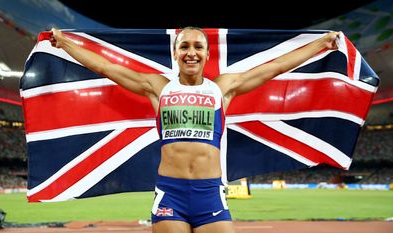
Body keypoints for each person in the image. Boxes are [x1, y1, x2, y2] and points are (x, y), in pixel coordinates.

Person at [49, 27, 339, 233]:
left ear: (207, 54)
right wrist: (64, 43)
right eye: (184, 46)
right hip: (170, 194)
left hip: (210, 193)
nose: (191, 52)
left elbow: (274, 68)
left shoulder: (222, 88)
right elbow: (105, 67)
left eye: (198, 46)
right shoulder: (158, 88)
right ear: (175, 53)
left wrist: (321, 44)